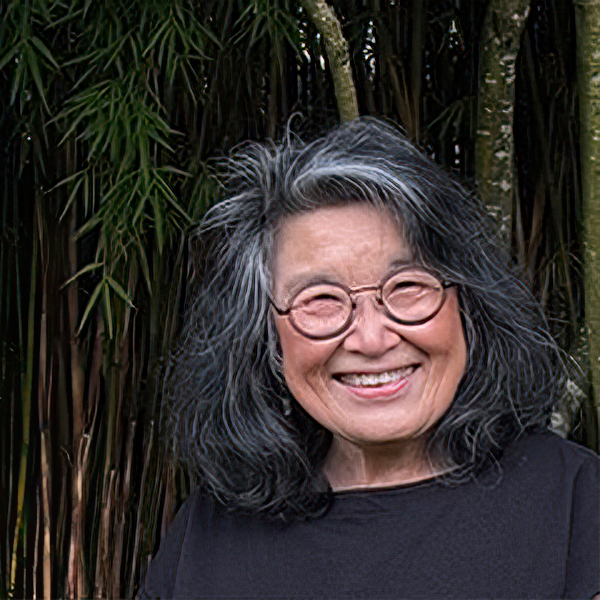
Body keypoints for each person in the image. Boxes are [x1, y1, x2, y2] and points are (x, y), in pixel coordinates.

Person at [141, 118, 599, 599]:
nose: (372, 338)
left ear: (467, 305)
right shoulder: (210, 529)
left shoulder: (575, 507)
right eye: (321, 300)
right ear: (267, 337)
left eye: (407, 287)